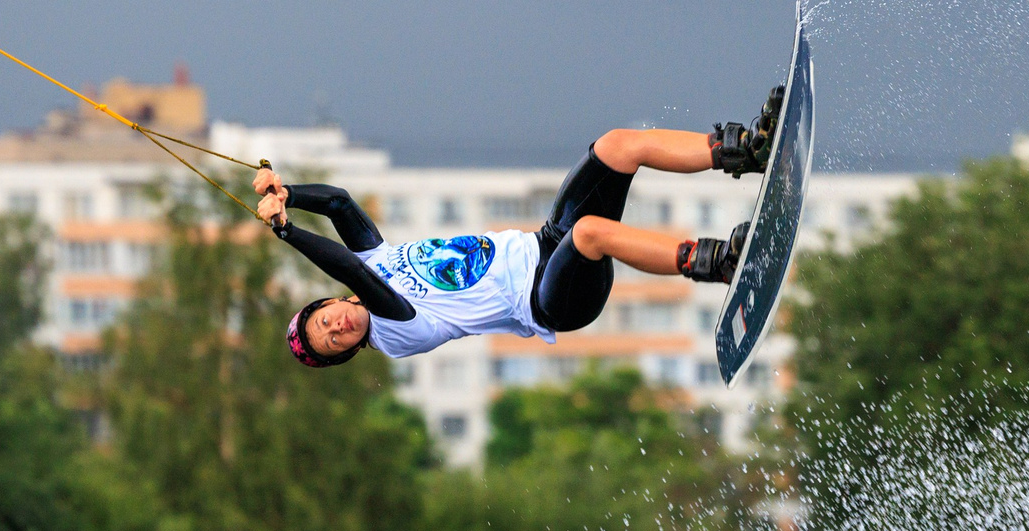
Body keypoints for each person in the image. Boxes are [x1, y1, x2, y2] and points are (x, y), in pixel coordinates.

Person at [260, 93, 781, 368]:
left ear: (328, 304)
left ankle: (745, 151)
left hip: (543, 242)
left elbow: (338, 203)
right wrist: (286, 232)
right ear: (348, 351)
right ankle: (719, 262)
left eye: (323, 321)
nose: (334, 330)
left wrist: (286, 194)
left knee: (618, 145)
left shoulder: (379, 260)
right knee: (591, 234)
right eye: (331, 344)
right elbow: (348, 267)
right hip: (548, 298)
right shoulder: (395, 334)